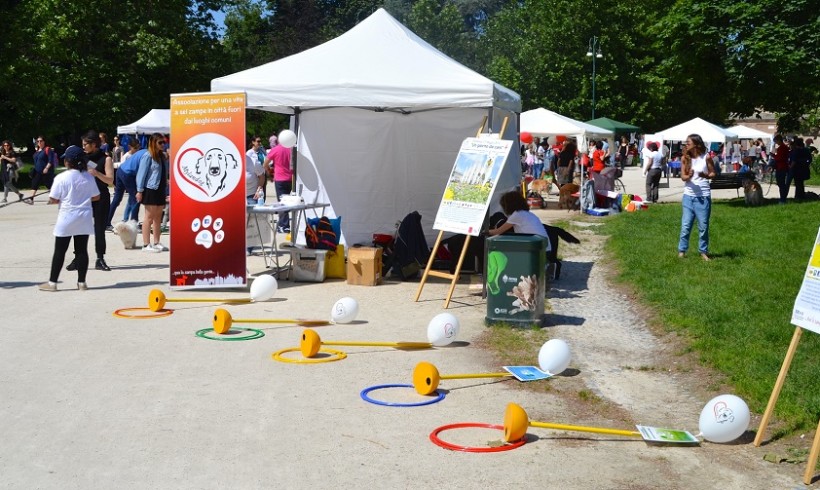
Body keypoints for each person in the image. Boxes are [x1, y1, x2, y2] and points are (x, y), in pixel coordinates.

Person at [38, 145, 100, 291]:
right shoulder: (88, 176)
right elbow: (96, 197)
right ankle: (82, 283)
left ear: (68, 161)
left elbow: (53, 198)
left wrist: (59, 200)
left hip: (67, 216)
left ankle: (52, 283)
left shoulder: (61, 177)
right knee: (82, 250)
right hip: (84, 216)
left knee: (60, 251)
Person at [71, 131, 114, 272]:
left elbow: (110, 180)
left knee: (99, 229)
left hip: (101, 197)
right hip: (84, 197)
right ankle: (78, 257)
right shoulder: (82, 158)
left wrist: (97, 173)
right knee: (80, 228)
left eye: (85, 144)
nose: (83, 147)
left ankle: (100, 258)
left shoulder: (105, 159)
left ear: (94, 144)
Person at [678, 134, 716, 261]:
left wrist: (705, 176)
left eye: (688, 142)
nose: (686, 145)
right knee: (686, 226)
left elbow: (713, 173)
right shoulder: (685, 158)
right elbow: (683, 177)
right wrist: (688, 175)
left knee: (703, 226)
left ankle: (703, 252)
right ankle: (682, 251)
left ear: (696, 144)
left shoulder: (706, 157)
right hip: (688, 197)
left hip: (703, 197)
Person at [136, 133, 169, 252]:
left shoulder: (162, 156)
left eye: (163, 142)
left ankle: (157, 241)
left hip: (160, 188)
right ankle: (146, 244)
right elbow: (141, 174)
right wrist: (139, 190)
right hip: (150, 188)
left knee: (158, 217)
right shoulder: (147, 156)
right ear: (153, 143)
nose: (162, 145)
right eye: (160, 142)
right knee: (149, 217)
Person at [108, 137, 142, 226]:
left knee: (119, 198)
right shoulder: (127, 155)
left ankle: (108, 221)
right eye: (135, 148)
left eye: (138, 147)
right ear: (130, 147)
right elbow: (123, 166)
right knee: (135, 197)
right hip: (125, 174)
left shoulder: (137, 154)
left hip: (125, 174)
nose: (137, 149)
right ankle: (134, 221)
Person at [263, 136, 294, 233]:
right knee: (287, 201)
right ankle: (282, 224)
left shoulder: (275, 149)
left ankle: (284, 226)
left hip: (280, 178)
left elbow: (265, 164)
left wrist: (269, 172)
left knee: (282, 202)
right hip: (290, 178)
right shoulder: (291, 149)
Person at [27, 135, 58, 203]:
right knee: (34, 184)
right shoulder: (37, 151)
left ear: (44, 141)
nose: (39, 142)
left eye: (41, 141)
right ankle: (31, 199)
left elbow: (50, 160)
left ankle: (54, 198)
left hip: (46, 171)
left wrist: (46, 168)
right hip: (37, 171)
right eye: (38, 141)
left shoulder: (47, 149)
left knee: (49, 185)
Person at [772, 134, 790, 203]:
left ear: (779, 140)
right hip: (783, 167)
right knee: (781, 183)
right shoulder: (784, 147)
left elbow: (779, 158)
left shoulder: (782, 148)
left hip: (781, 167)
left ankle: (783, 199)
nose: (776, 143)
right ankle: (783, 198)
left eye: (776, 141)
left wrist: (773, 155)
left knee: (781, 183)